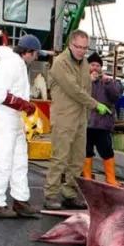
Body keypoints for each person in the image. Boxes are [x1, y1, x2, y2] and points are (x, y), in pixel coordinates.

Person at [44, 29, 111, 209]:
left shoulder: (84, 64)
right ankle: (51, 195)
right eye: (78, 46)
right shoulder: (60, 63)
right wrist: (95, 105)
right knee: (60, 157)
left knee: (78, 159)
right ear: (70, 44)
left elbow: (86, 86)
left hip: (81, 119)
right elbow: (74, 90)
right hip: (64, 117)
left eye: (84, 47)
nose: (81, 50)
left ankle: (70, 193)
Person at [0, 33, 41, 218]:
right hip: (4, 118)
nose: (36, 57)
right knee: (3, 161)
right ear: (29, 52)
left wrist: (23, 108)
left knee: (19, 161)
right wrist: (25, 105)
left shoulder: (16, 64)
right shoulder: (11, 65)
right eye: (36, 54)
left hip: (14, 118)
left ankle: (20, 200)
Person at [83, 52, 124, 186]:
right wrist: (88, 80)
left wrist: (109, 83)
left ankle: (110, 178)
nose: (95, 67)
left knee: (107, 151)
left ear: (101, 67)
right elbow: (76, 93)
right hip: (86, 123)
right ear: (87, 66)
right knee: (86, 151)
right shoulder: (82, 79)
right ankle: (87, 176)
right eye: (92, 64)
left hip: (103, 125)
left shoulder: (109, 81)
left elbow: (116, 96)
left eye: (98, 65)